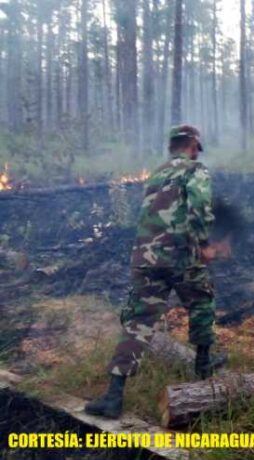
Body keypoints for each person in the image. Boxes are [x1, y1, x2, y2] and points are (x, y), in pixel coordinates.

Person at [85, 125, 225, 419]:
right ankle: (203, 364)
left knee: (137, 321)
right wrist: (203, 244)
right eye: (197, 146)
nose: (199, 151)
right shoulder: (195, 170)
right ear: (191, 145)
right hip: (180, 255)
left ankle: (113, 396)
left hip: (146, 258)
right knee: (202, 299)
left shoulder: (156, 174)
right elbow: (199, 206)